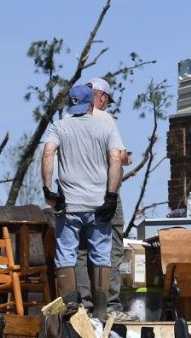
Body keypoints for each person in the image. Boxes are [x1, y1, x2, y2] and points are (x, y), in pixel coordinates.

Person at [42, 84, 123, 322]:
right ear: (91, 103)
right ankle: (100, 311)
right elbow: (116, 158)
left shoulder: (59, 126)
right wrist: (111, 195)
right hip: (99, 204)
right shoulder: (105, 127)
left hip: (69, 204)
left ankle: (71, 310)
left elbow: (48, 153)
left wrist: (48, 190)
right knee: (100, 254)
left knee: (66, 254)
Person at [72, 77, 133, 321]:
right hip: (105, 193)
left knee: (82, 250)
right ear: (102, 97)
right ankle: (109, 307)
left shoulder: (69, 122)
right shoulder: (105, 119)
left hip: (77, 194)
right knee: (111, 248)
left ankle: (83, 307)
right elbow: (119, 156)